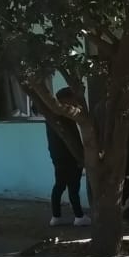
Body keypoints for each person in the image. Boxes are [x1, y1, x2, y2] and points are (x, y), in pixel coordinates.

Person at [45, 87, 90, 227]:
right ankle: (78, 216)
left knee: (60, 185)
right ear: (65, 99)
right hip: (68, 156)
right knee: (72, 186)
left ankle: (56, 216)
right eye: (73, 99)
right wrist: (79, 158)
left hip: (58, 155)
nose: (75, 102)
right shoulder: (64, 117)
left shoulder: (53, 116)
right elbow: (72, 140)